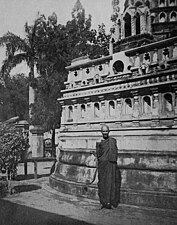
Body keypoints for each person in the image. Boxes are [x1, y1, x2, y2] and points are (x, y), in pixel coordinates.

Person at [96, 124, 120, 209]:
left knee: (111, 183)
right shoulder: (99, 142)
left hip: (111, 164)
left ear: (109, 132)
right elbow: (98, 154)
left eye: (106, 131)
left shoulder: (112, 141)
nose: (105, 133)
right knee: (102, 183)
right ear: (101, 132)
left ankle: (110, 202)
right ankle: (103, 202)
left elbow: (116, 151)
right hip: (103, 166)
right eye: (103, 131)